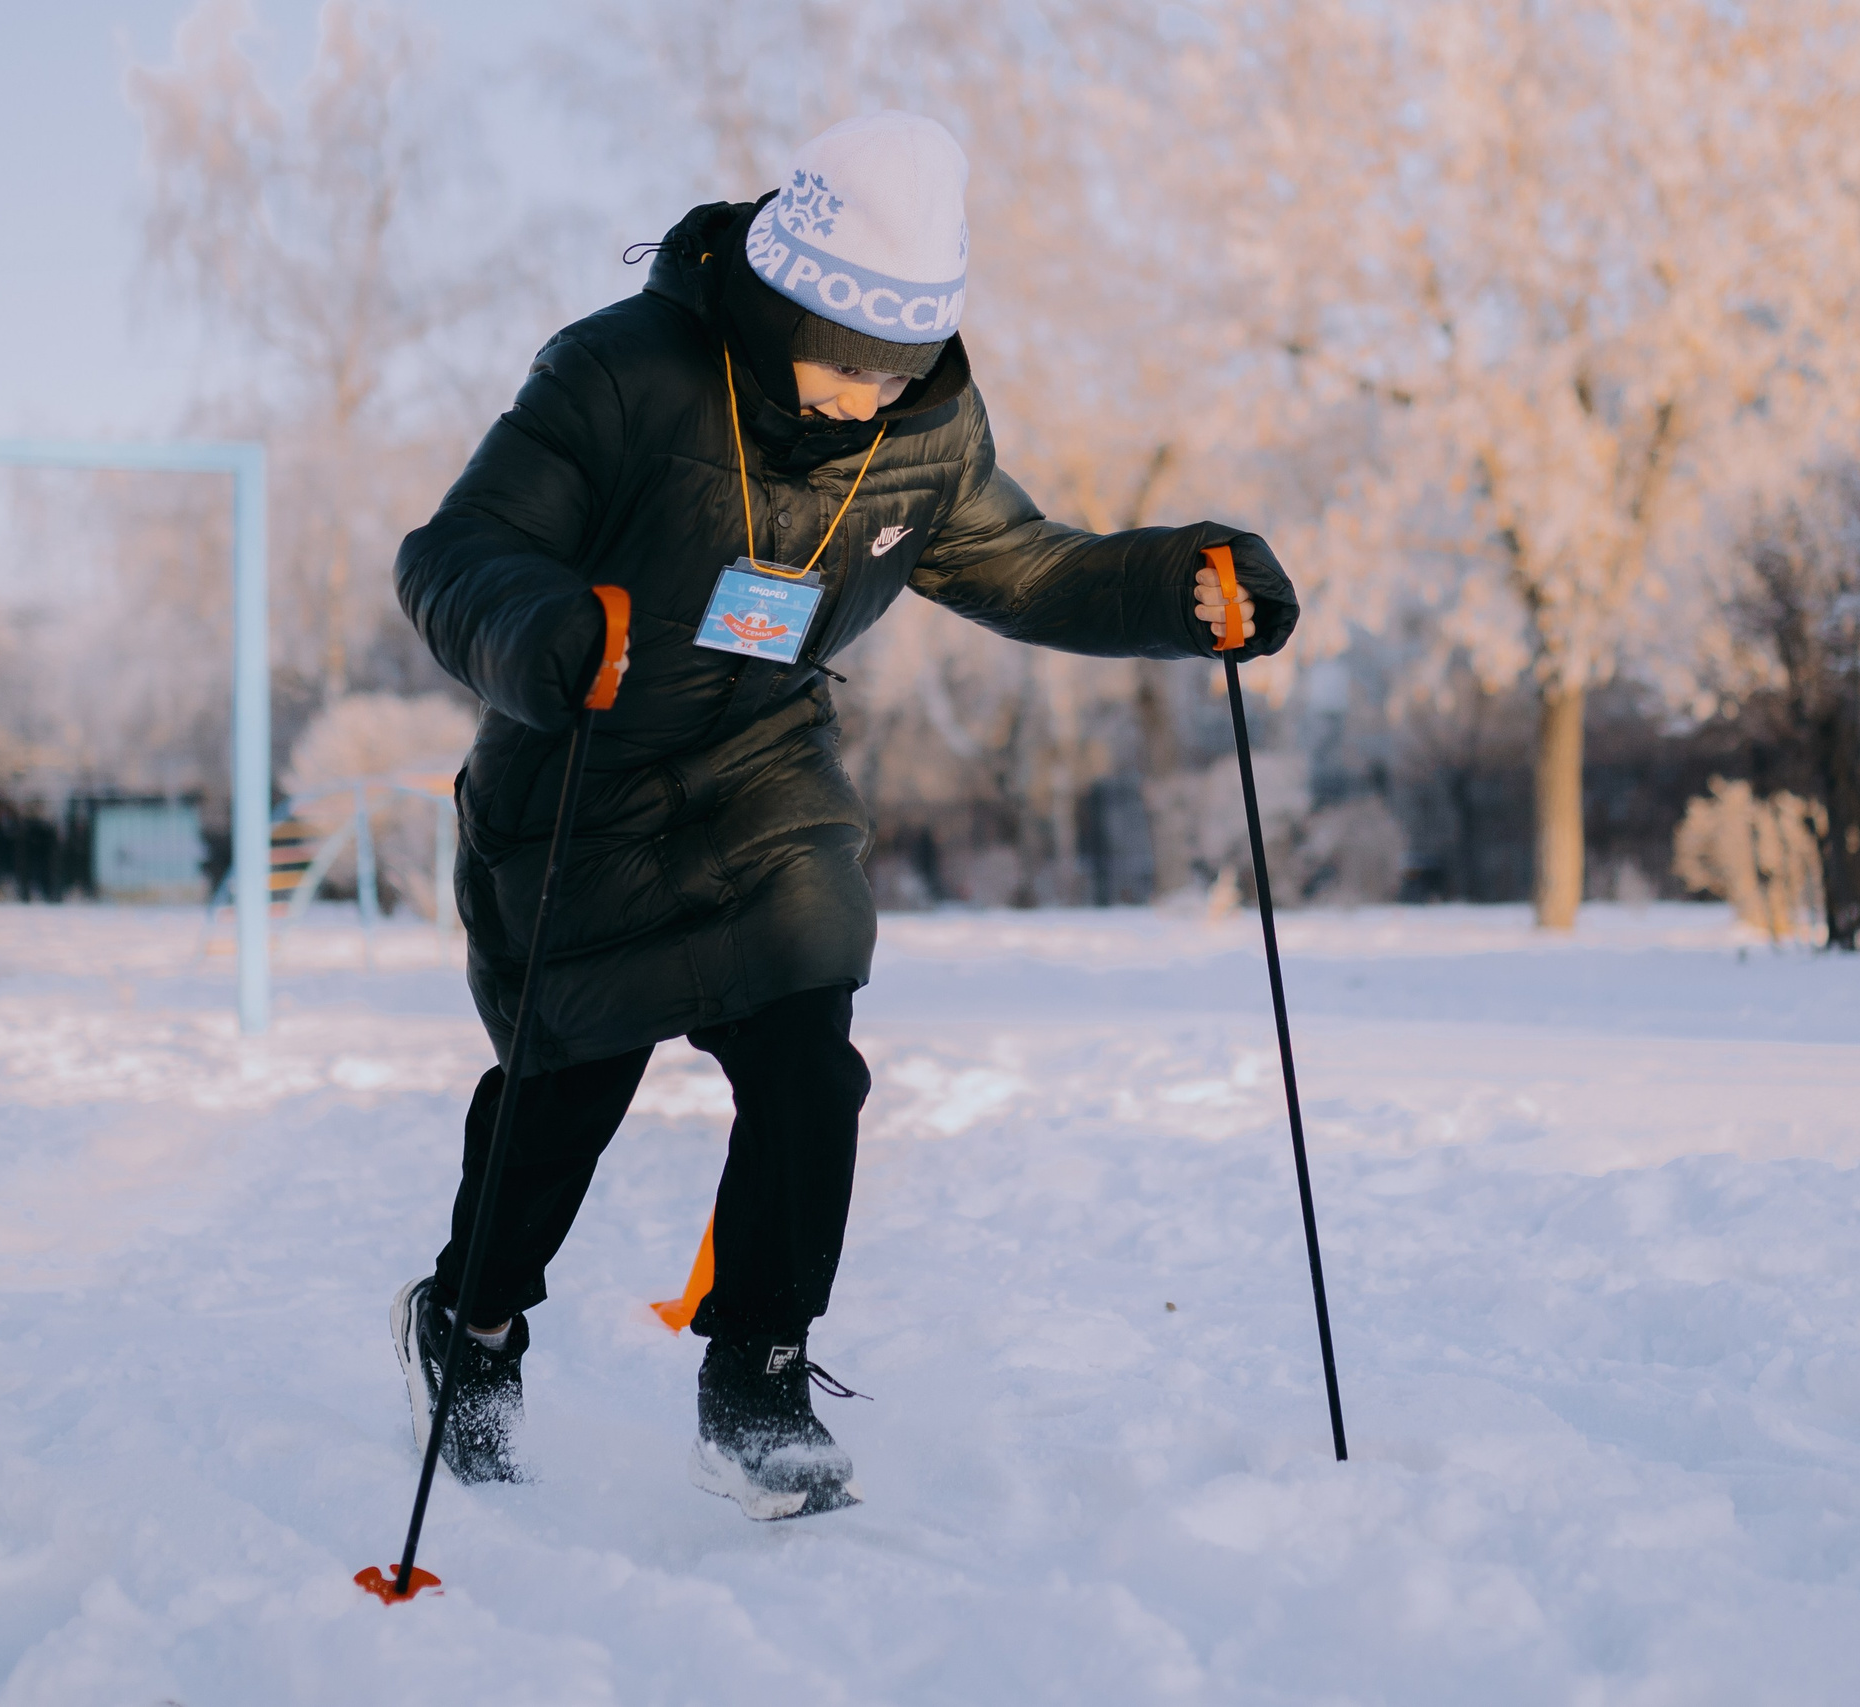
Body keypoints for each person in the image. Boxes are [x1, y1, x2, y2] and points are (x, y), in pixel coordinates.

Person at [392, 111, 1297, 1520]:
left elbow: (1029, 566)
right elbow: (456, 555)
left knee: (809, 1064)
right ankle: (472, 1320)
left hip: (764, 769)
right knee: (566, 1098)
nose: (865, 393)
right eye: (843, 352)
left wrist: (1181, 583)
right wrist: (545, 628)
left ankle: (757, 1371)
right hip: (582, 769)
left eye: (899, 363)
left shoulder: (926, 434)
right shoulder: (620, 375)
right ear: (778, 291)